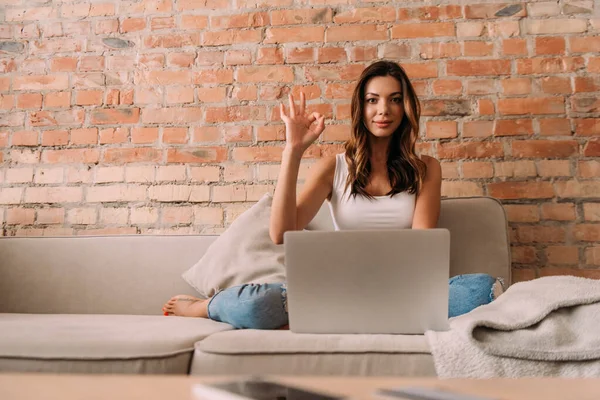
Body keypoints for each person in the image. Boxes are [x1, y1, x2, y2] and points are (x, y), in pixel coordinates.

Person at [162, 60, 503, 328]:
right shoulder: (333, 167)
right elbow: (280, 233)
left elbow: (423, 245)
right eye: (373, 100)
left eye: (394, 99)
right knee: (255, 303)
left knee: (481, 289)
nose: (383, 110)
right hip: (332, 292)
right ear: (361, 107)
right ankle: (203, 308)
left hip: (399, 292)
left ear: (405, 109)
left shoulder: (426, 168)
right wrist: (292, 150)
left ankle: (345, 320)